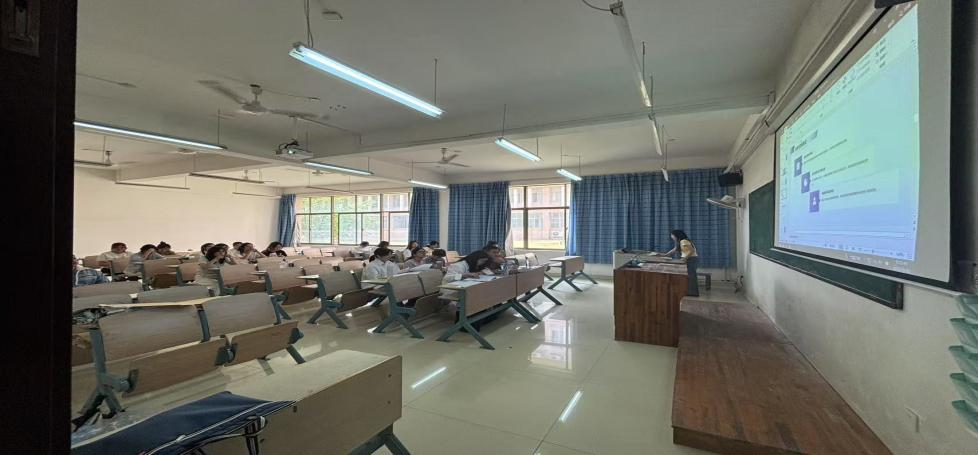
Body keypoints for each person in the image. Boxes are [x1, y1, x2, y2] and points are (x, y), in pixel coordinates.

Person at [655, 229, 700, 296]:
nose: (671, 237)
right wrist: (665, 255)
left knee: (691, 277)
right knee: (687, 276)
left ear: (676, 235)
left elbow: (692, 251)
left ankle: (693, 293)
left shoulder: (684, 241)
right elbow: (674, 249)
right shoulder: (681, 242)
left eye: (672, 235)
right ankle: (688, 291)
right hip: (689, 259)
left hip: (691, 260)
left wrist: (685, 258)